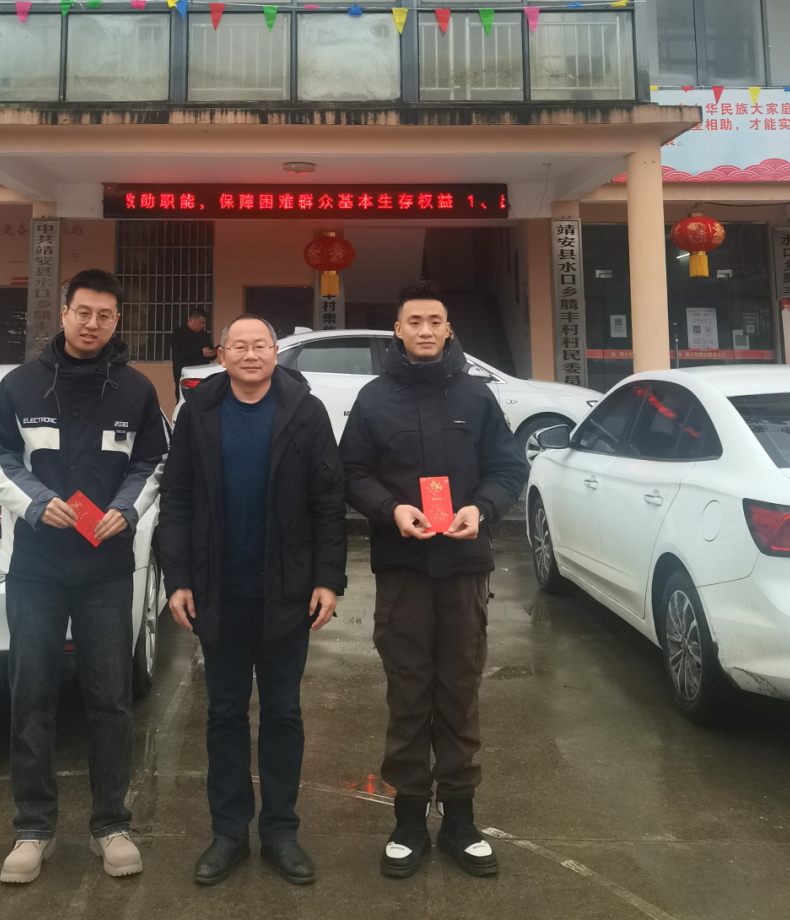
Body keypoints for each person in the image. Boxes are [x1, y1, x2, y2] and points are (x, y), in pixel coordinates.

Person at [0, 268, 169, 884]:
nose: (92, 323)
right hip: (34, 567)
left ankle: (111, 825)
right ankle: (32, 829)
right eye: (82, 312)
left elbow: (153, 462)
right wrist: (36, 501)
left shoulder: (135, 390)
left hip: (105, 568)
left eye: (104, 315)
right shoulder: (20, 385)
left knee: (110, 700)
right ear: (63, 313)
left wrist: (126, 510)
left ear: (117, 321)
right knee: (31, 696)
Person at [339, 281, 528, 880]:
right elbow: (352, 471)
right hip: (404, 569)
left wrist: (483, 508)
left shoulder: (477, 396)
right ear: (398, 330)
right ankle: (408, 819)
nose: (425, 330)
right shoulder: (374, 399)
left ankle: (461, 820)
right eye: (414, 321)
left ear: (449, 329)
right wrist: (391, 509)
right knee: (409, 690)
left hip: (464, 567)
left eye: (435, 321)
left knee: (460, 688)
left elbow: (508, 466)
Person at [160, 315, 347, 887]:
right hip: (218, 591)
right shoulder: (199, 411)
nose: (249, 354)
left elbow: (328, 500)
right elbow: (177, 498)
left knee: (284, 713)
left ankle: (281, 832)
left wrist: (328, 578)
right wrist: (178, 578)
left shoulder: (305, 411)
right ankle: (228, 833)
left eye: (259, 345)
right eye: (237, 346)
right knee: (224, 713)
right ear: (221, 354)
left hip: (286, 591)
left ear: (275, 352)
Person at [170, 309, 216, 398]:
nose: (202, 326)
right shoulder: (178, 334)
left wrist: (213, 353)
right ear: (191, 319)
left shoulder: (204, 335)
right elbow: (179, 353)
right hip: (185, 376)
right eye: (200, 322)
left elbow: (209, 350)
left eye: (204, 323)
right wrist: (200, 352)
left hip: (202, 376)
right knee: (185, 401)